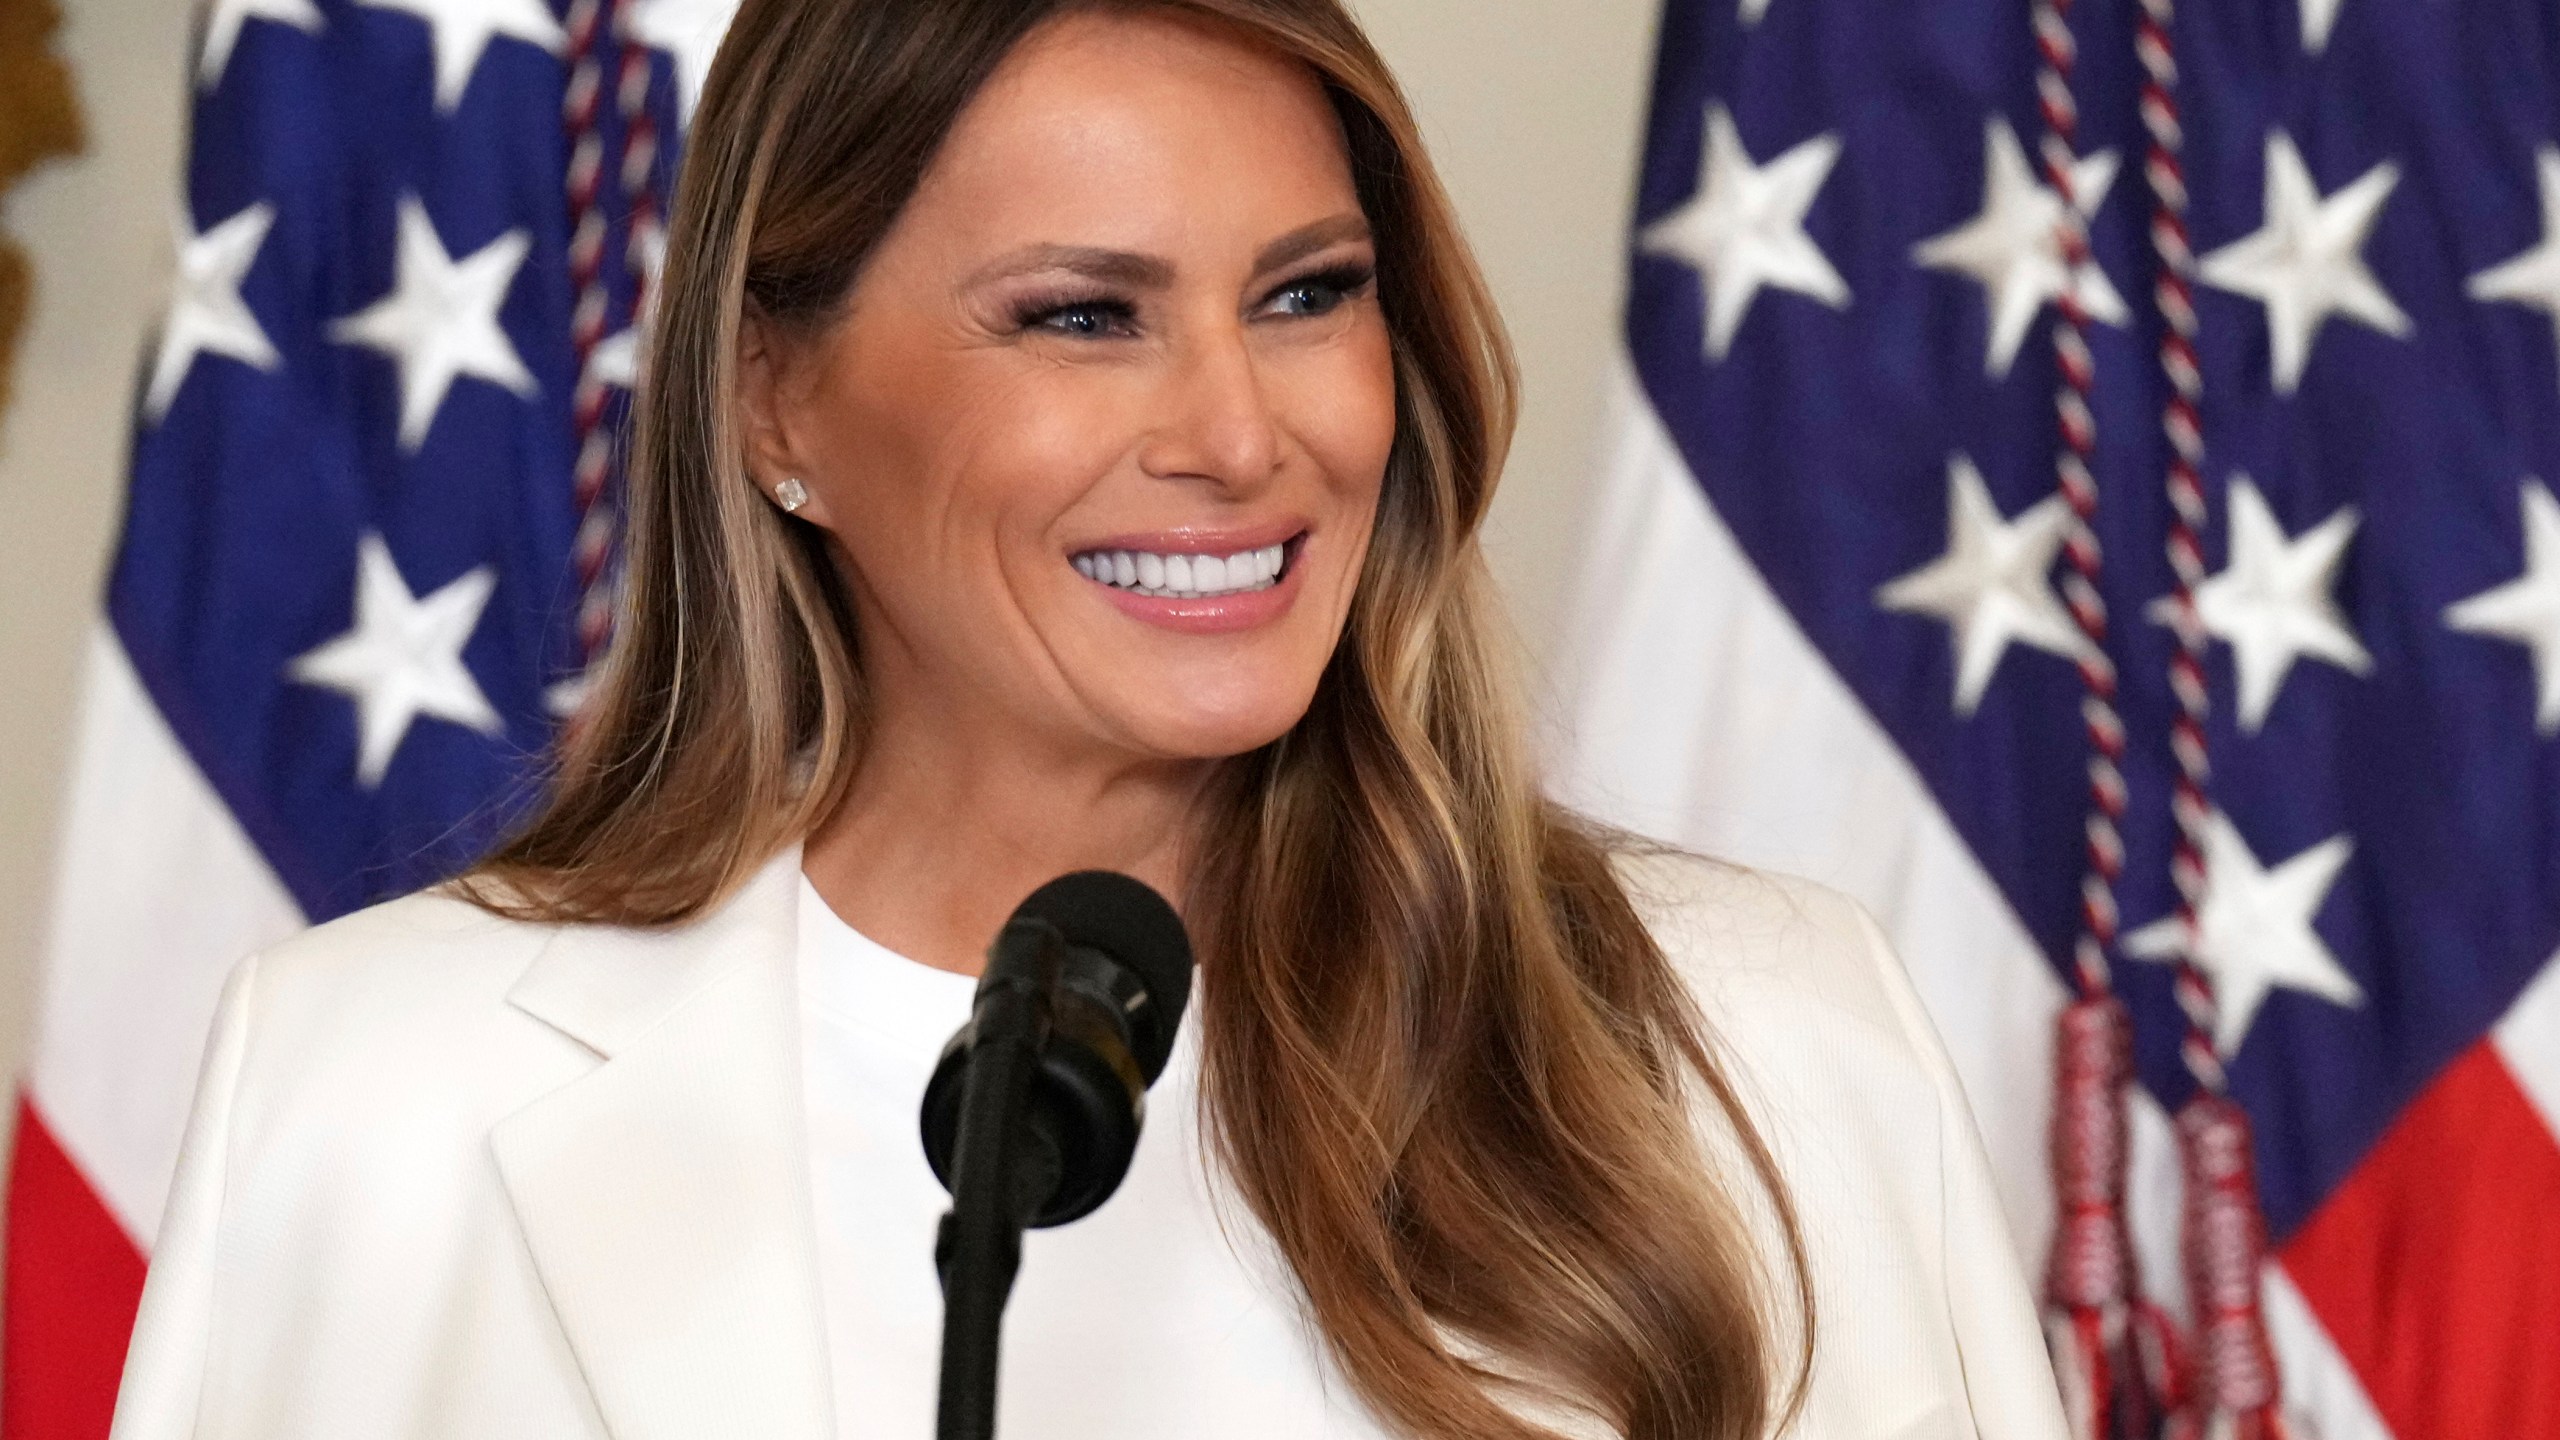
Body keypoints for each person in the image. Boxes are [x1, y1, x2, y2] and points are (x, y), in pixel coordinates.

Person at [108, 1, 2070, 1436]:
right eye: (1079, 315)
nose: (1240, 435)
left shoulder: (1768, 1040)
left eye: (1306, 296)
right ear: (776, 403)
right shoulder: (373, 1092)